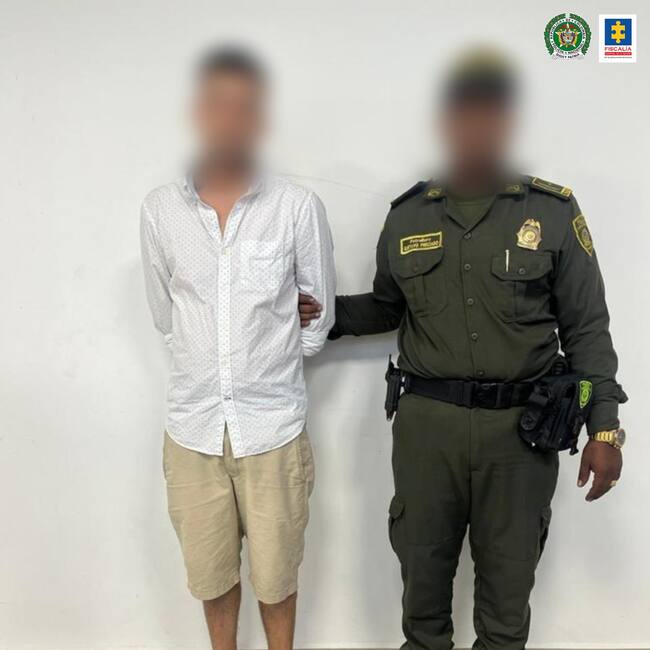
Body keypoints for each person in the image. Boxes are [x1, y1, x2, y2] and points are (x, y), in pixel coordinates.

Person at [299, 47, 626, 650]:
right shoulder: (406, 217)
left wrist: (604, 427)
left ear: (506, 124)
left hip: (520, 438)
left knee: (506, 611)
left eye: (489, 115)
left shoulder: (551, 212)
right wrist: (319, 313)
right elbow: (387, 307)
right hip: (428, 435)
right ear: (445, 125)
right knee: (422, 601)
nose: (476, 128)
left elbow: (587, 330)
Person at [140, 47, 335, 650]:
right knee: (212, 576)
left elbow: (317, 320)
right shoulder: (160, 211)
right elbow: (166, 317)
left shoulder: (295, 208)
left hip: (272, 429)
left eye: (244, 106)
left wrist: (271, 348)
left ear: (259, 118)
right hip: (192, 431)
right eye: (217, 104)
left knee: (277, 579)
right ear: (198, 113)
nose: (230, 118)